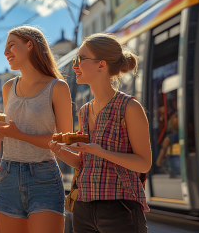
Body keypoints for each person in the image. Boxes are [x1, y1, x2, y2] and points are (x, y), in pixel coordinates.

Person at [49, 33, 152, 233]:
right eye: (74, 60)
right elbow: (85, 162)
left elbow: (144, 163)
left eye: (80, 59)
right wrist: (59, 152)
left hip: (120, 206)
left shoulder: (129, 107)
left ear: (101, 65)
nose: (75, 65)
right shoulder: (84, 111)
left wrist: (100, 151)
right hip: (84, 207)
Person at [0, 26, 73, 233]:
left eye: (11, 46)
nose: (6, 52)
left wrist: (16, 134)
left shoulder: (57, 87)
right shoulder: (8, 88)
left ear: (30, 45)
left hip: (44, 176)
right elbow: (13, 134)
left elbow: (64, 140)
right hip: (8, 175)